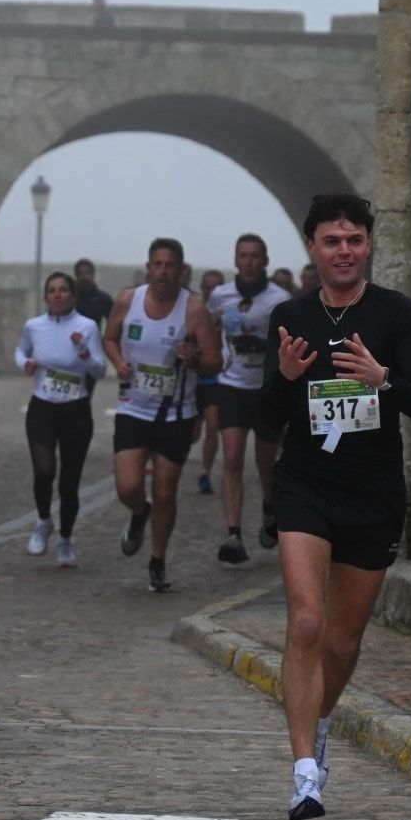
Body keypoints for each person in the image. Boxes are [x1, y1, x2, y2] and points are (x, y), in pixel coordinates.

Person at [262, 194, 411, 820]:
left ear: (368, 245)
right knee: (306, 623)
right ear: (312, 247)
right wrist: (284, 378)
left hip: (372, 492)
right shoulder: (289, 315)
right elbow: (266, 419)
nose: (344, 251)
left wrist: (382, 379)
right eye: (332, 241)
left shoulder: (396, 314)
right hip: (306, 486)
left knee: (341, 641)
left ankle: (322, 716)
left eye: (355, 240)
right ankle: (305, 771)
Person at [103, 238, 221, 593]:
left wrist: (195, 359)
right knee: (128, 487)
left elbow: (216, 362)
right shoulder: (129, 299)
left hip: (176, 414)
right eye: (157, 264)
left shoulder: (194, 309)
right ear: (149, 267)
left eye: (170, 265)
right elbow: (109, 338)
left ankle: (157, 560)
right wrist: (119, 362)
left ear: (181, 270)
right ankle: (140, 512)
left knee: (166, 493)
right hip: (134, 408)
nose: (163, 271)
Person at [207, 234, 292, 564]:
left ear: (265, 261)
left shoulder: (279, 298)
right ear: (236, 260)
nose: (249, 261)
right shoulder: (220, 296)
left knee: (265, 461)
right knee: (231, 459)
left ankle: (270, 505)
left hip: (266, 388)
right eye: (243, 255)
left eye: (255, 256)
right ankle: (233, 534)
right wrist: (210, 354)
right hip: (231, 386)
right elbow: (206, 326)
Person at [16, 272, 106, 566]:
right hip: (42, 408)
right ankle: (44, 521)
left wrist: (82, 351)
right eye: (52, 290)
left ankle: (65, 540)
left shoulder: (87, 327)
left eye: (63, 290)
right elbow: (21, 350)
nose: (57, 295)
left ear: (73, 295)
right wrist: (25, 363)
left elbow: (99, 370)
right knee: (44, 471)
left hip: (75, 410)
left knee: (69, 482)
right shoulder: (34, 326)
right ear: (46, 297)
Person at [194, 268, 227, 495]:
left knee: (213, 426)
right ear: (202, 288)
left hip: (216, 379)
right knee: (193, 432)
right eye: (207, 287)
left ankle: (205, 472)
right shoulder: (194, 311)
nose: (211, 291)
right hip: (193, 378)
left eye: (216, 287)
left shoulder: (228, 313)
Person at [72, 258, 114, 329]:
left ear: (93, 274)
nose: (84, 277)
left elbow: (113, 325)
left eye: (88, 273)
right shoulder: (69, 298)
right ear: (76, 275)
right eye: (81, 273)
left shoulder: (104, 299)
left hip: (94, 339)